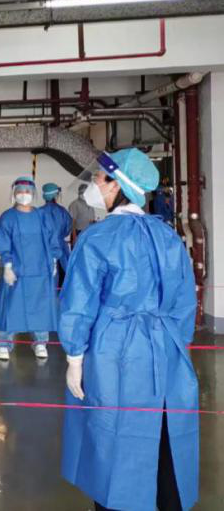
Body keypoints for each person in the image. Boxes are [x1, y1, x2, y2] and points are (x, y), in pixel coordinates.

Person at [59, 148, 198, 511]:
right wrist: (172, 345)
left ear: (116, 184)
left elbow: (79, 302)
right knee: (164, 431)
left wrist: (75, 356)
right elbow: (185, 304)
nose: (94, 183)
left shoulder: (98, 238)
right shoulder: (168, 236)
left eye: (99, 177)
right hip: (166, 349)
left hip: (113, 350)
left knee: (111, 434)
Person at [0, 176, 62, 361]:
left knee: (40, 307)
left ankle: (40, 342)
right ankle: (4, 344)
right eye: (20, 191)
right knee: (11, 307)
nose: (24, 195)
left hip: (40, 270)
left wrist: (54, 259)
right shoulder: (8, 217)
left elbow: (52, 238)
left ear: (34, 194)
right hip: (17, 271)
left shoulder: (42, 216)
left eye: (28, 191)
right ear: (14, 194)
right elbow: (3, 242)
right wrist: (7, 265)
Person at [39, 181, 73, 285]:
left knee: (47, 276)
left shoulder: (39, 212)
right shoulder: (62, 211)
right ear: (55, 195)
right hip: (61, 246)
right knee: (68, 272)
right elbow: (67, 229)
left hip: (44, 247)